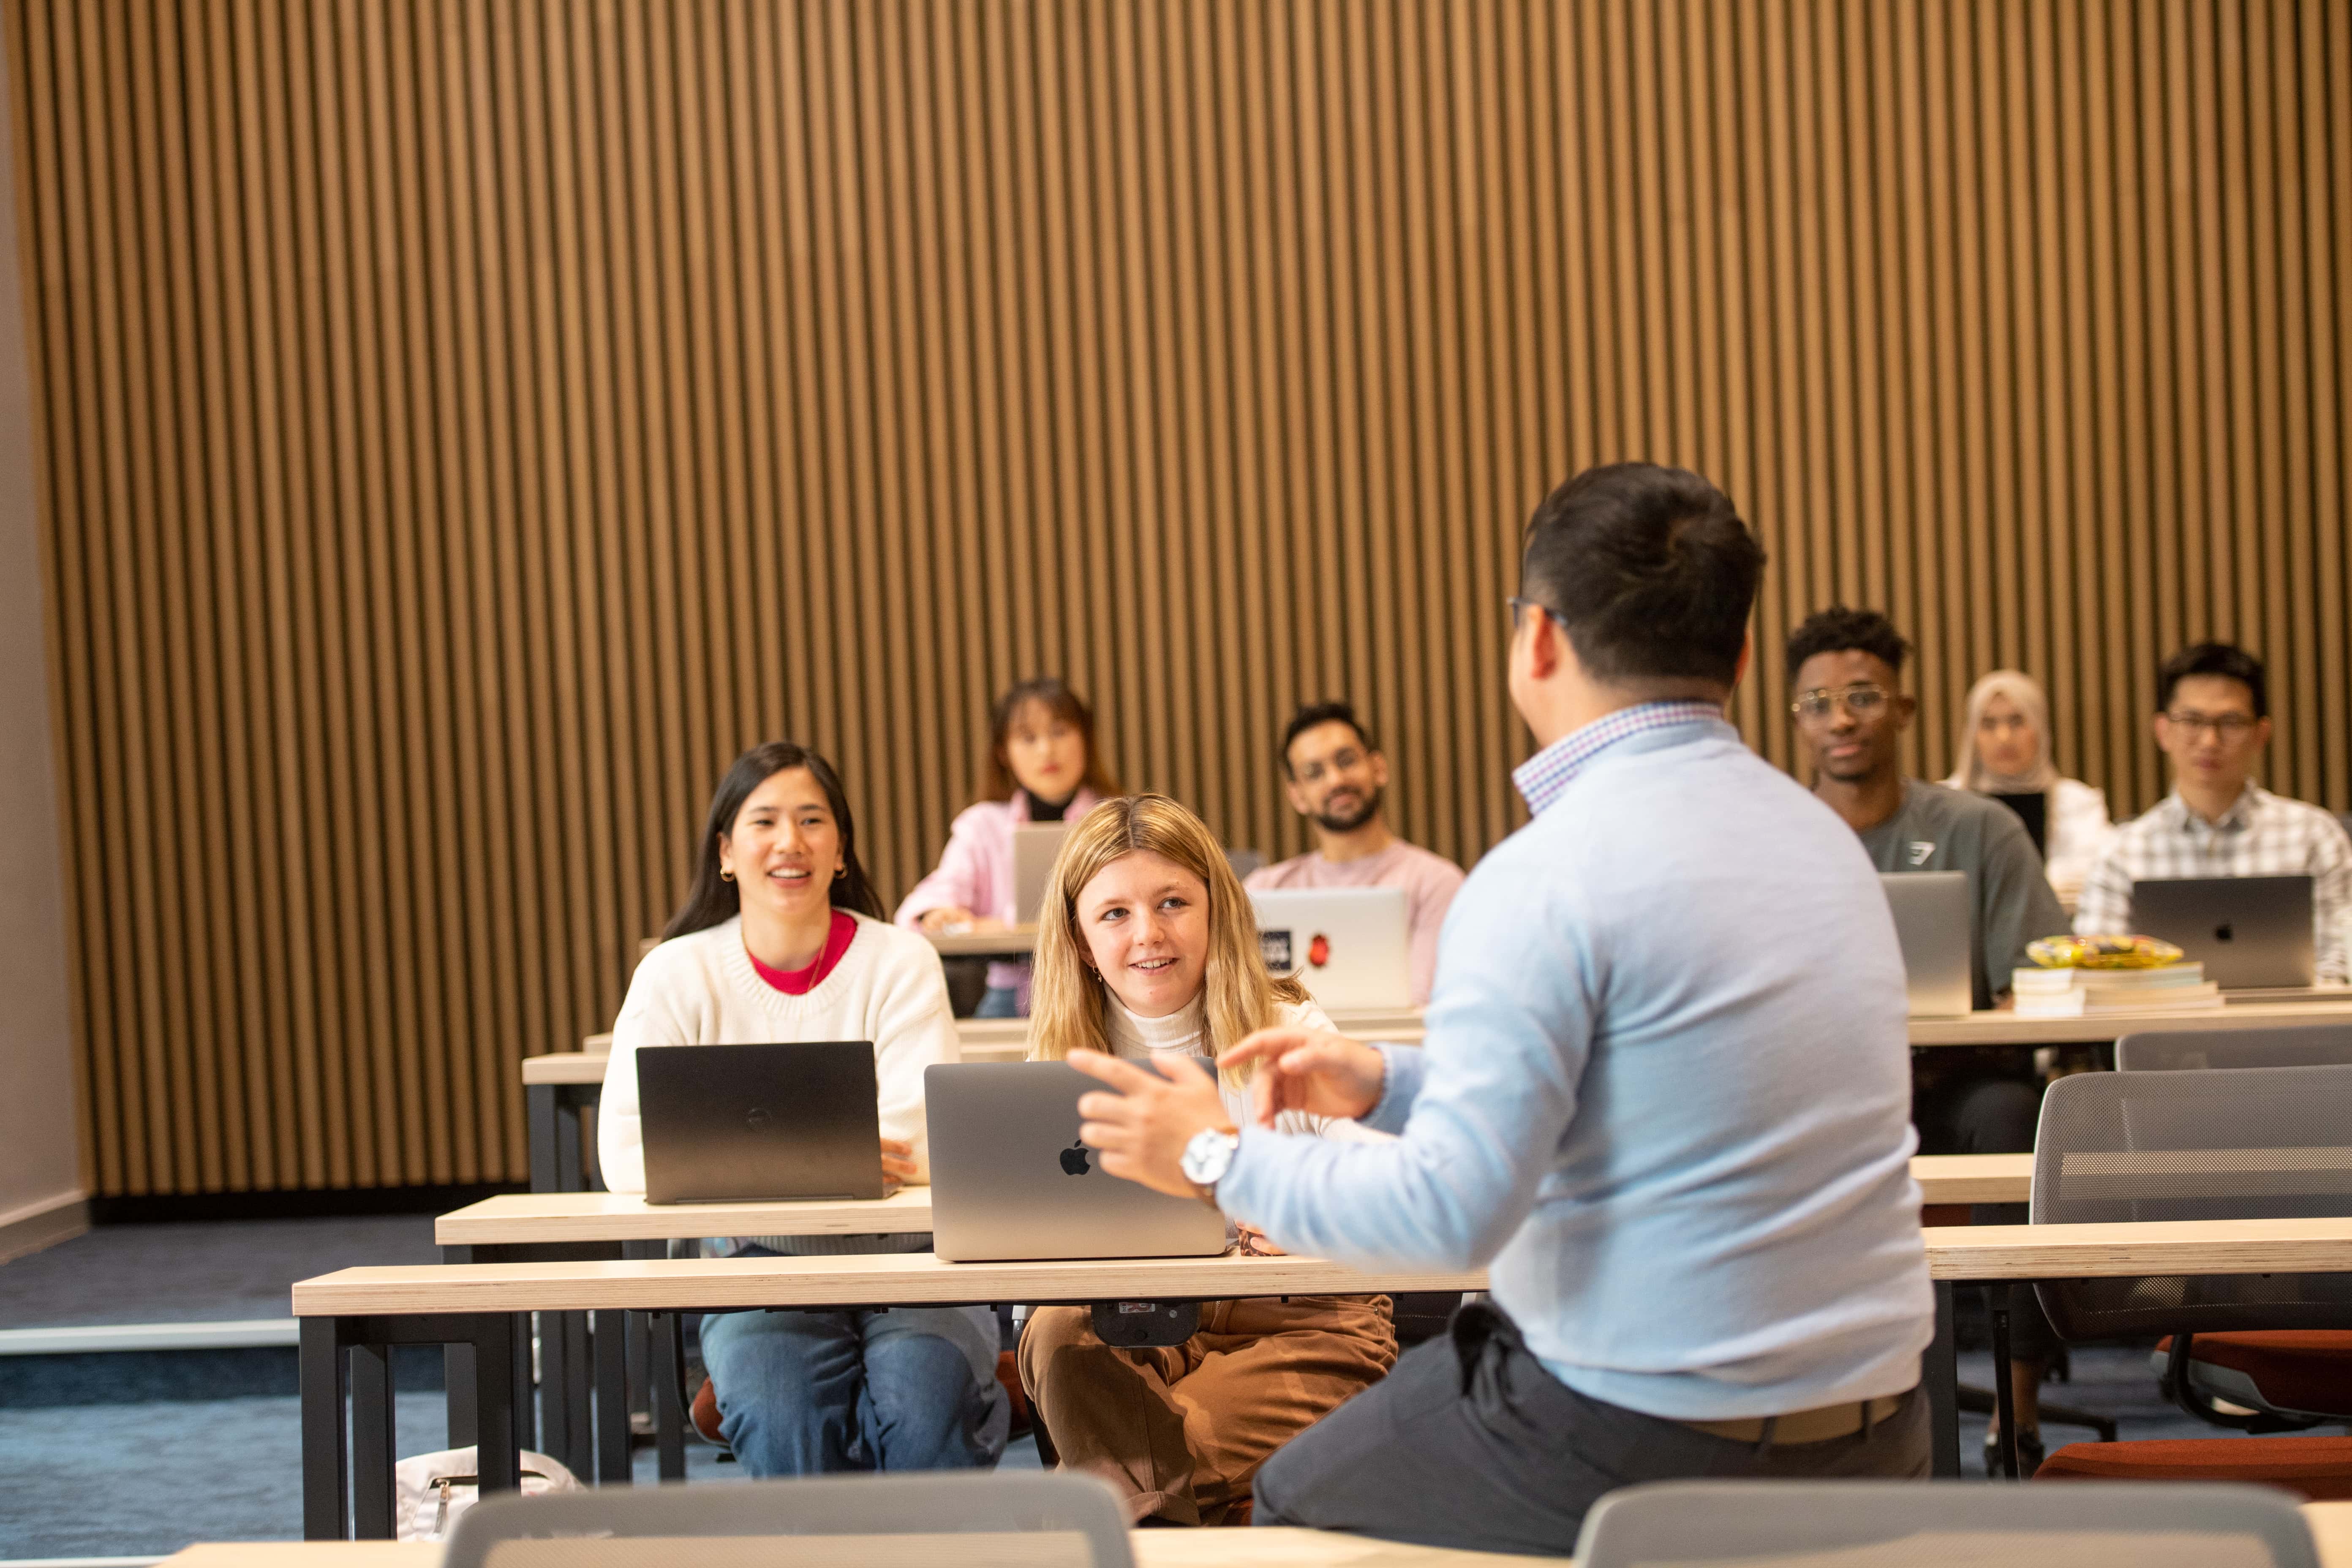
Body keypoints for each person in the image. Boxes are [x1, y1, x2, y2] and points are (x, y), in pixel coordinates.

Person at [1058, 463, 1934, 1554]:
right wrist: (1389, 1082)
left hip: (1647, 1432)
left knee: (1295, 1501)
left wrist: (1211, 1156)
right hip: (1887, 1424)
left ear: (1536, 642)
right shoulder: (1827, 848)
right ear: (1745, 656)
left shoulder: (1541, 878)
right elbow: (1646, 1075)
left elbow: (1450, 1219)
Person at [598, 742, 1009, 1476]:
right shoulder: (674, 973)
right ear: (726, 851)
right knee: (781, 1412)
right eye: (764, 822)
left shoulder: (901, 959)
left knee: (927, 1407)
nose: (790, 842)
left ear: (841, 849)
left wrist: (736, 1160)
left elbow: (914, 1137)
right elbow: (629, 1154)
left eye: (812, 820)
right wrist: (836, 1157)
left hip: (912, 1259)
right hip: (757, 1265)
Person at [1015, 793, 1396, 1527]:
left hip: (1301, 1319)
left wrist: (1310, 1208)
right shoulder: (1061, 1055)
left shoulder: (1289, 1027)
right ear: (1080, 936)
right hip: (1137, 1319)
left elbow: (1383, 1170)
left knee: (1120, 1457)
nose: (1148, 934)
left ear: (1216, 907)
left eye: (1171, 902)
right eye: (1115, 913)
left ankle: (1106, 1498)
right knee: (1057, 1331)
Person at [1786, 607, 2071, 1469]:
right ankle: (1805, 1410)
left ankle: (2014, 1415)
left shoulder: (1980, 827)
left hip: (1960, 1083)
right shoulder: (1775, 836)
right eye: (1818, 702)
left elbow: (2039, 978)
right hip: (1822, 1093)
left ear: (1903, 709)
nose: (1841, 718)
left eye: (1862, 695)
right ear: (1796, 719)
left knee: (2017, 1118)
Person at [2075, 642, 2352, 983]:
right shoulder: (2122, 851)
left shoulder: (2314, 836)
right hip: (2164, 1032)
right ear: (2163, 731)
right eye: (2191, 720)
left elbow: (2339, 966)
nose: (2209, 741)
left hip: (2291, 1031)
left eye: (2231, 721)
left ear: (2261, 733)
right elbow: (2097, 974)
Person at [896, 678, 1121, 1016]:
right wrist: (938, 915)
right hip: (1011, 994)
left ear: (1085, 740)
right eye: (1028, 738)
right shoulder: (982, 825)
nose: (1047, 750)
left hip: (1104, 988)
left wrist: (1001, 922)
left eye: (1060, 732)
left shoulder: (1118, 820)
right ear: (1004, 753)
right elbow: (920, 911)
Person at [1244, 701, 1466, 1007]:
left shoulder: (1436, 883)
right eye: (1314, 772)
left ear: (1378, 768)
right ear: (1297, 795)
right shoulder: (1261, 891)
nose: (1336, 780)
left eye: (1346, 761)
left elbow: (1423, 1007)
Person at [1944, 669, 2112, 900]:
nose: (2004, 736)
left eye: (2017, 722)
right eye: (1989, 724)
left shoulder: (2077, 803)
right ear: (1973, 735)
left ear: (2040, 728)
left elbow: (2098, 878)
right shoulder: (1945, 803)